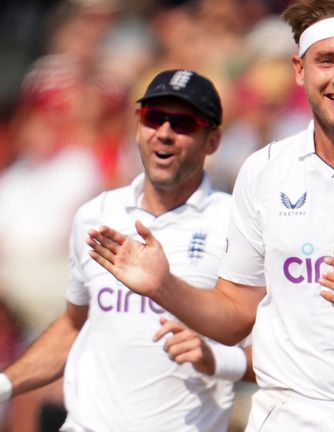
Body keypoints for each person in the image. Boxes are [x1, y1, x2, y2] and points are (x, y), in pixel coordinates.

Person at [86, 1, 334, 430]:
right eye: (326, 61)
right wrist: (165, 287)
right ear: (299, 69)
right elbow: (236, 313)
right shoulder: (265, 169)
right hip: (288, 417)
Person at [0, 69, 253, 431]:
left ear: (212, 141)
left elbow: (257, 336)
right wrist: (5, 384)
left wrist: (217, 357)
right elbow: (75, 324)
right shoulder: (95, 214)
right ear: (137, 126)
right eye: (153, 118)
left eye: (183, 123)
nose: (164, 132)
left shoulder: (235, 222)